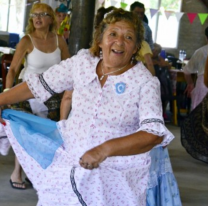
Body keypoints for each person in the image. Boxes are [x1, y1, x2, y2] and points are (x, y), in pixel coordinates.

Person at [0, 9, 178, 205]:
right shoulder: (82, 63)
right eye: (113, 34)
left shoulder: (144, 82)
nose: (119, 42)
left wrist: (103, 150)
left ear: (136, 47)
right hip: (70, 164)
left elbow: (153, 133)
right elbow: (40, 84)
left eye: (128, 37)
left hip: (115, 178)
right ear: (100, 40)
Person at [5, 3, 70, 189]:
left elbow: (68, 68)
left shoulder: (59, 40)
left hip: (52, 95)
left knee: (47, 135)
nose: (37, 18)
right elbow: (14, 70)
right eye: (34, 15)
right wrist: (8, 95)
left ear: (51, 18)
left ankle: (39, 174)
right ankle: (17, 173)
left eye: (42, 14)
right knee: (25, 132)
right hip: (27, 93)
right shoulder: (27, 40)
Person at [184, 26, 208, 110]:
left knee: (200, 113)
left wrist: (190, 84)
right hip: (203, 82)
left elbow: (187, 71)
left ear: (206, 37)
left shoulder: (200, 51)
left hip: (203, 84)